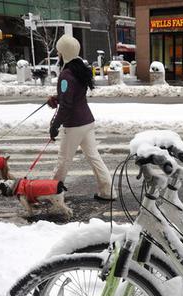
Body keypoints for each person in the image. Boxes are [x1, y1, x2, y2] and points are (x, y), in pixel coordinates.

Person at [48, 34, 116, 201]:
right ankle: (107, 191)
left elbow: (67, 104)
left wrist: (55, 125)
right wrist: (57, 98)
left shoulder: (66, 74)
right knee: (94, 157)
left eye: (59, 52)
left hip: (74, 125)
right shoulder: (79, 70)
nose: (58, 55)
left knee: (63, 160)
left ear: (64, 52)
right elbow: (74, 95)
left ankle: (51, 192)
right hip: (87, 121)